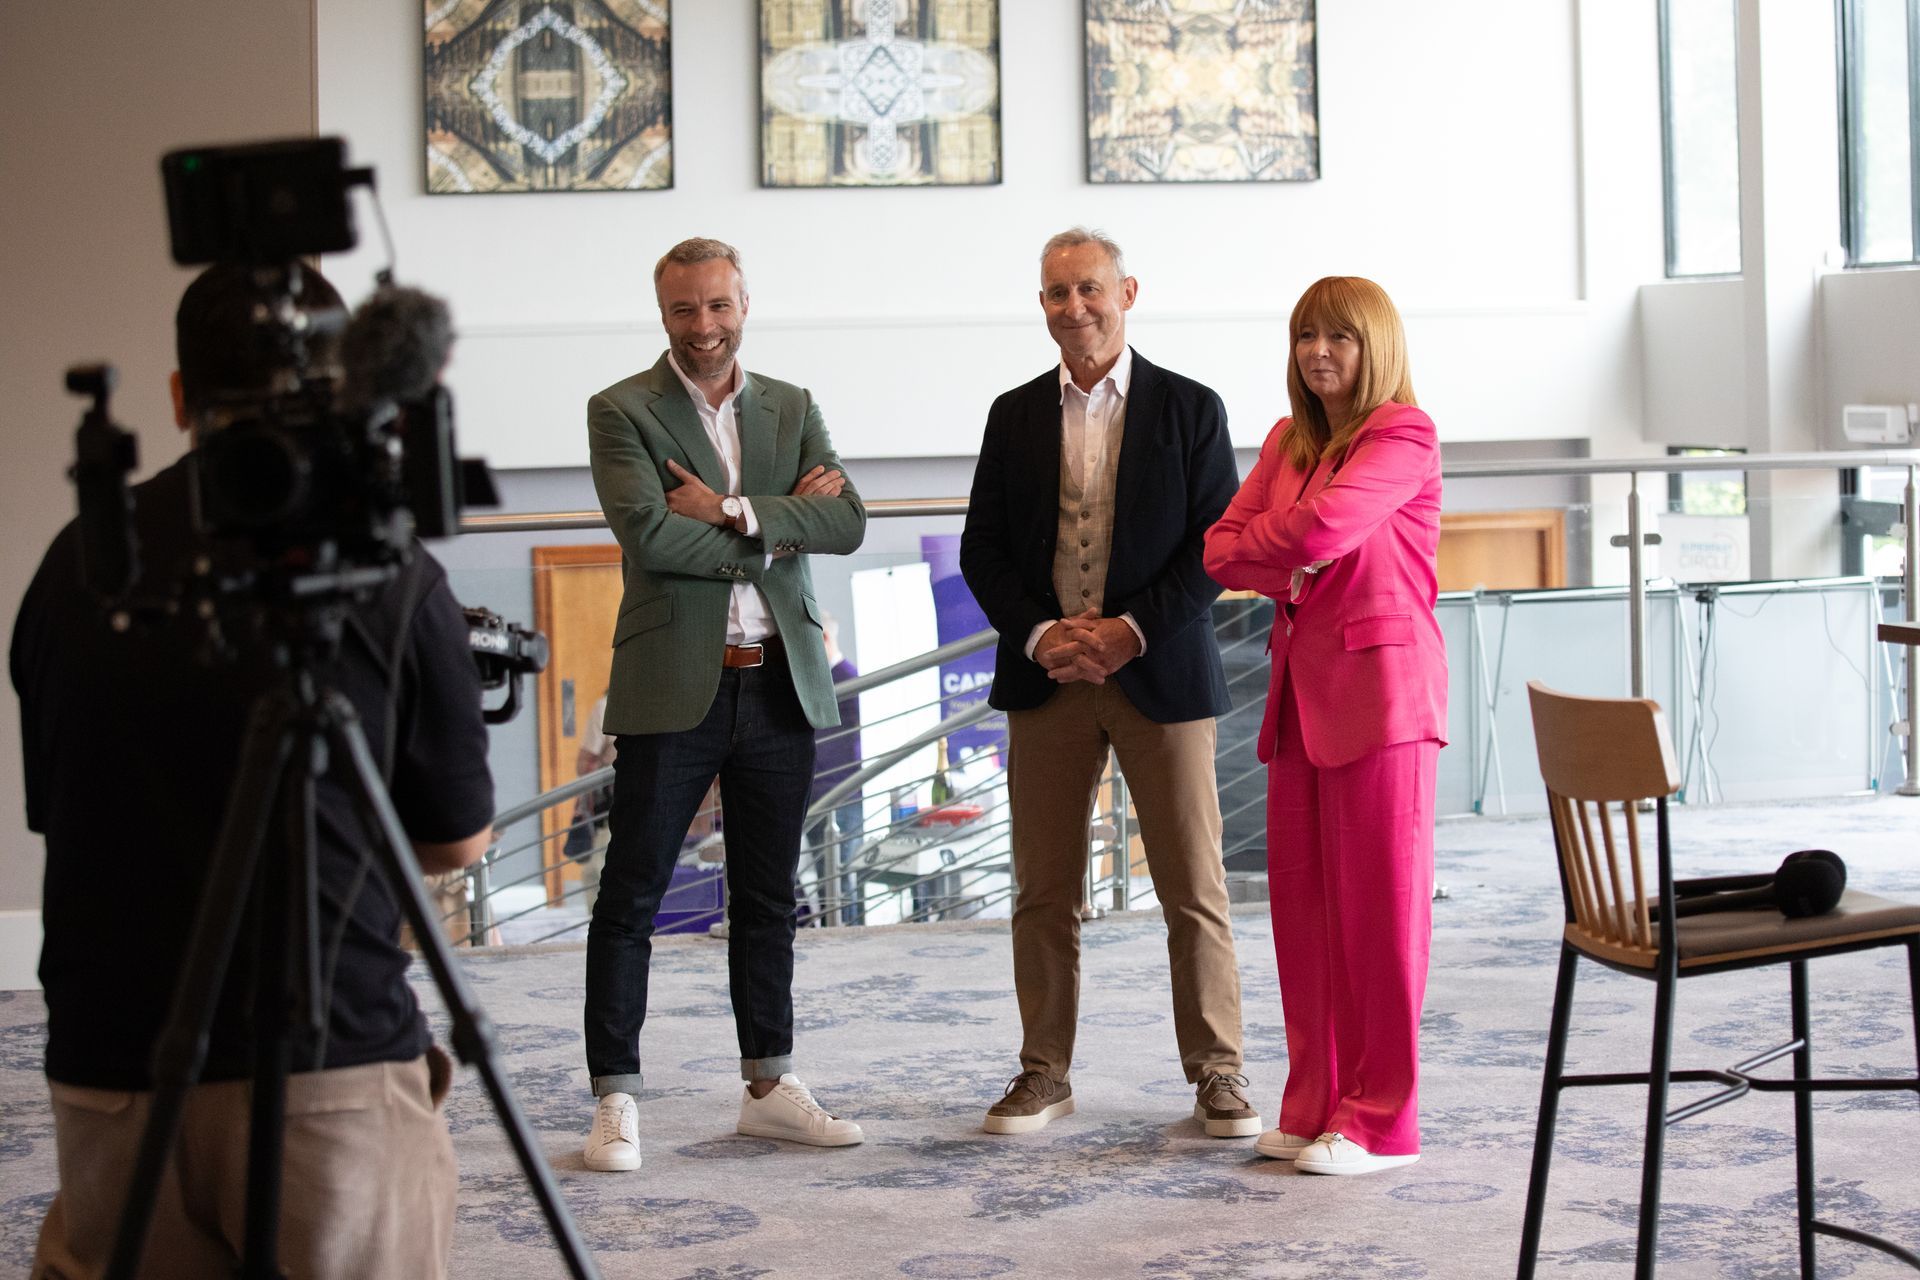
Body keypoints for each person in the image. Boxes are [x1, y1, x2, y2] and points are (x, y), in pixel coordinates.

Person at [13, 264, 495, 1277]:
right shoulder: (386, 567)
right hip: (329, 1058)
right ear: (338, 385)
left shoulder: (77, 563)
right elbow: (454, 838)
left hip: (109, 1065)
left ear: (181, 396)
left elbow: (63, 811)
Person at [958, 227, 1258, 1138]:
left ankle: (1220, 1072)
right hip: (1047, 680)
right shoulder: (1012, 414)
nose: (1073, 309)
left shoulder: (1191, 408)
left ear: (1129, 292)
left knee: (1192, 887)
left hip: (1158, 673)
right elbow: (984, 550)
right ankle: (1043, 1071)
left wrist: (1129, 632)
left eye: (1089, 290)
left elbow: (1216, 545)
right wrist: (1046, 633)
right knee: (1044, 891)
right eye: (1056, 295)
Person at [583, 236, 868, 1171]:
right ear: (661, 312)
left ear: (745, 302)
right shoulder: (622, 409)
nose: (703, 328)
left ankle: (769, 1083)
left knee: (767, 896)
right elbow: (650, 537)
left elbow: (849, 521)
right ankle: (616, 1097)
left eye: (717, 307)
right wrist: (779, 527)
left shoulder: (792, 404)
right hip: (676, 682)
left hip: (777, 678)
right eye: (682, 310)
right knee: (632, 895)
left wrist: (737, 510)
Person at [1202, 275, 1446, 1177]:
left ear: (1373, 344)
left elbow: (1317, 536)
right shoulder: (1285, 440)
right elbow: (1219, 546)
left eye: (1338, 338)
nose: (1318, 354)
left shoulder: (1404, 435)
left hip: (1385, 698)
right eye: (1306, 336)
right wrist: (1291, 543)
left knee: (1380, 919)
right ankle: (1316, 1104)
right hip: (1301, 699)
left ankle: (1384, 1122)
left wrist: (1288, 542)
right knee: (1304, 916)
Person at [803, 613, 864, 925]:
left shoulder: (847, 680)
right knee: (826, 872)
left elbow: (839, 746)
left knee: (838, 875)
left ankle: (843, 930)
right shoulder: (827, 679)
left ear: (824, 639)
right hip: (820, 792)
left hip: (840, 794)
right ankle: (831, 926)